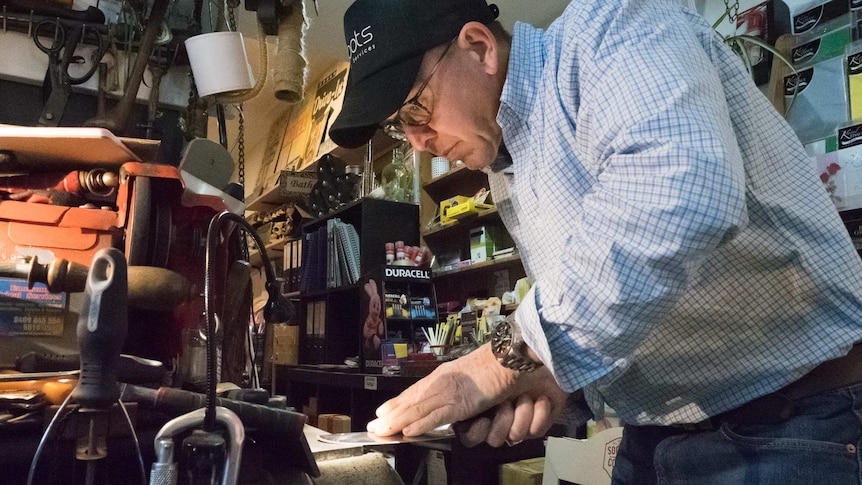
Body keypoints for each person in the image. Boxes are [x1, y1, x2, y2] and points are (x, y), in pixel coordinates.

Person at [328, 0, 862, 483]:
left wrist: (500, 363)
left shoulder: (614, 25)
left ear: (478, 46)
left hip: (794, 422)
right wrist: (554, 382)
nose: (419, 140)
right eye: (401, 127)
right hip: (656, 436)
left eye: (416, 109)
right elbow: (639, 298)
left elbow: (682, 195)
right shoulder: (510, 158)